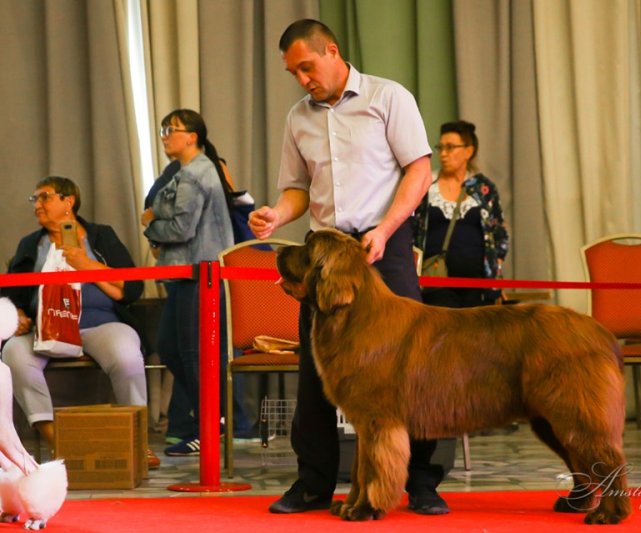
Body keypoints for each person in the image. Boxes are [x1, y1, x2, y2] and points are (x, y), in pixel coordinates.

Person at [249, 19, 448, 515]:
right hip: (324, 256)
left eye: (307, 67)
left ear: (332, 51)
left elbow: (420, 170)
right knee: (318, 372)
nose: (302, 79)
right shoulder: (299, 118)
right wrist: (277, 213)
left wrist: (384, 230)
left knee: (412, 370)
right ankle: (314, 483)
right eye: (293, 72)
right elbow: (297, 189)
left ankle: (422, 482)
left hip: (385, 246)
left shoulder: (388, 98)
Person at [1, 176, 151, 463]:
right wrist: (18, 315)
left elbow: (131, 289)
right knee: (13, 353)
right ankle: (59, 442)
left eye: (44, 197)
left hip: (100, 324)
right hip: (47, 328)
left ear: (68, 201)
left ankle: (138, 441)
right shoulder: (31, 244)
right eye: (35, 199)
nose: (37, 205)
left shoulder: (101, 235)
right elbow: (13, 293)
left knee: (127, 355)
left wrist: (86, 265)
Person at [141, 109, 248, 456]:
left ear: (192, 136)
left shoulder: (196, 173)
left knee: (192, 354)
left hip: (198, 274)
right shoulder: (189, 171)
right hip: (186, 273)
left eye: (170, 130)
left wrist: (150, 227)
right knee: (172, 348)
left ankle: (212, 425)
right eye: (162, 130)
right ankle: (216, 417)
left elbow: (180, 229)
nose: (164, 136)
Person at [413, 120, 509, 308]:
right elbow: (413, 233)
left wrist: (495, 275)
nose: (443, 154)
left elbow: (500, 236)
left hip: (478, 288)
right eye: (440, 147)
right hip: (436, 286)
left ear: (468, 151)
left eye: (450, 147)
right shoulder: (426, 186)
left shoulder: (483, 189)